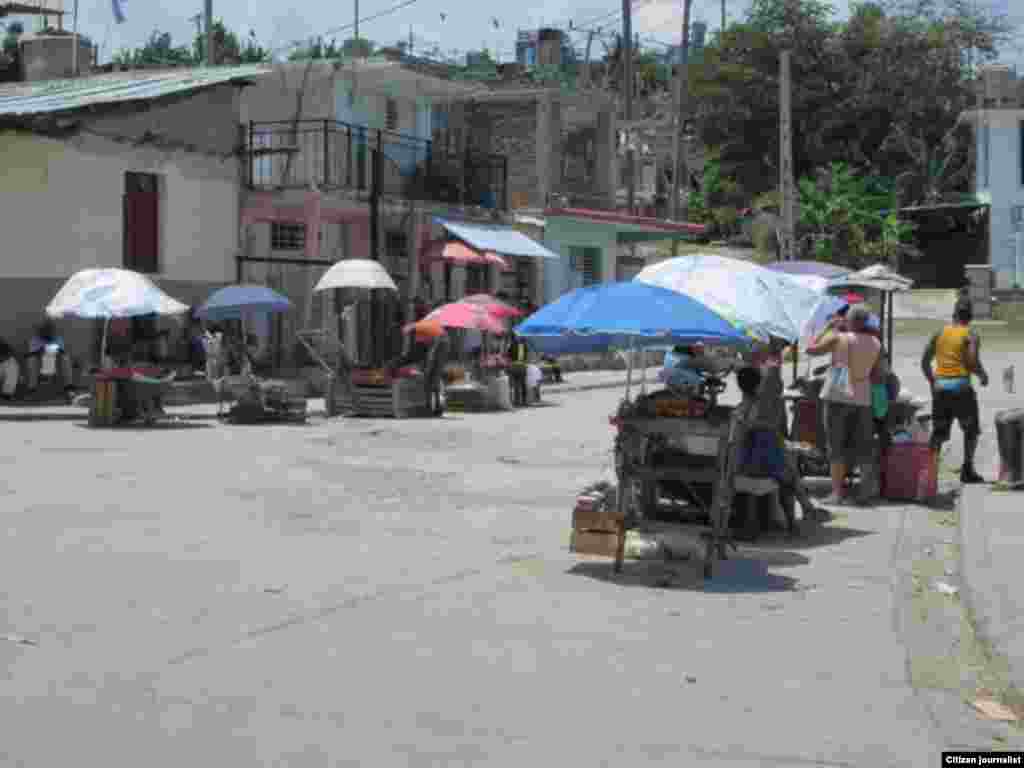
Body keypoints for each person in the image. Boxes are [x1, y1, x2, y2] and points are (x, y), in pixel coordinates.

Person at [806, 304, 882, 506]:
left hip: (837, 395)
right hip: (863, 396)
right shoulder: (875, 342)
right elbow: (877, 374)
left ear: (848, 320)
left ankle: (837, 493)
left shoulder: (837, 337)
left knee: (835, 445)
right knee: (864, 445)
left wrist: (827, 328)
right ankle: (865, 492)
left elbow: (810, 349)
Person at [920, 299, 989, 484]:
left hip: (941, 388)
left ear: (954, 315)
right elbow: (972, 361)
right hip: (961, 389)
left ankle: (930, 472)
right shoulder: (971, 334)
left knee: (939, 432)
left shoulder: (940, 332)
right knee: (970, 429)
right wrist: (982, 375)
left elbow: (925, 361)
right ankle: (967, 469)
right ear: (970, 316)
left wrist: (932, 380)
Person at [25, 319, 74, 399]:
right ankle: (32, 389)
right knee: (31, 360)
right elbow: (30, 353)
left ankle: (69, 388)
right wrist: (41, 350)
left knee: (66, 358)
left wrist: (54, 349)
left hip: (55, 362)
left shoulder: (57, 338)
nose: (48, 333)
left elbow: (63, 352)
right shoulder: (35, 340)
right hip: (40, 362)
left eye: (49, 331)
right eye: (46, 331)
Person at [507, 332, 530, 406]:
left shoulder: (511, 345)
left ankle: (517, 401)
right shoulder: (523, 345)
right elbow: (526, 356)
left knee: (516, 384)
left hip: (514, 366)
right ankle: (524, 401)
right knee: (523, 384)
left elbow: (508, 355)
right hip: (522, 365)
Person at [0, 335, 19, 400]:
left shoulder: (3, 345)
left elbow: (10, 353)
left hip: (4, 363)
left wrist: (3, 358)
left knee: (12, 365)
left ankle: (7, 394)